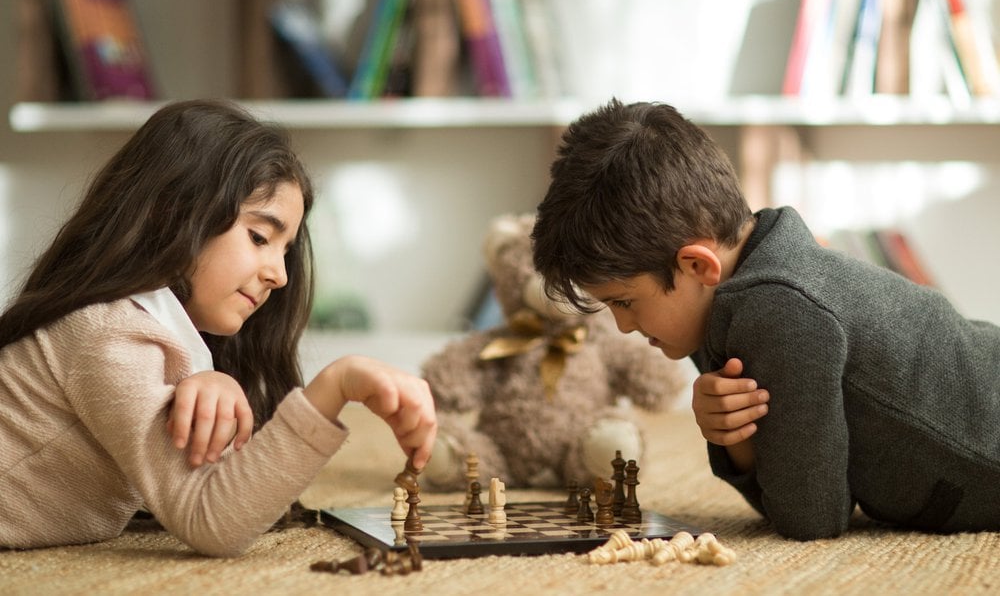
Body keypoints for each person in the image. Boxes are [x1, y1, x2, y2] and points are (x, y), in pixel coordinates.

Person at [530, 98, 1000, 541]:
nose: (624, 327)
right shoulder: (724, 295)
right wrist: (736, 439)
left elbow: (810, 517)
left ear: (697, 266)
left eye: (625, 302)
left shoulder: (778, 309)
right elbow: (790, 493)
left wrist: (734, 438)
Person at [0, 99, 437, 557]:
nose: (280, 275)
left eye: (285, 251)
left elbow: (237, 488)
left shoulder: (149, 337)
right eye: (259, 237)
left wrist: (205, 380)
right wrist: (335, 385)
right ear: (170, 213)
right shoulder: (108, 337)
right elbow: (213, 518)